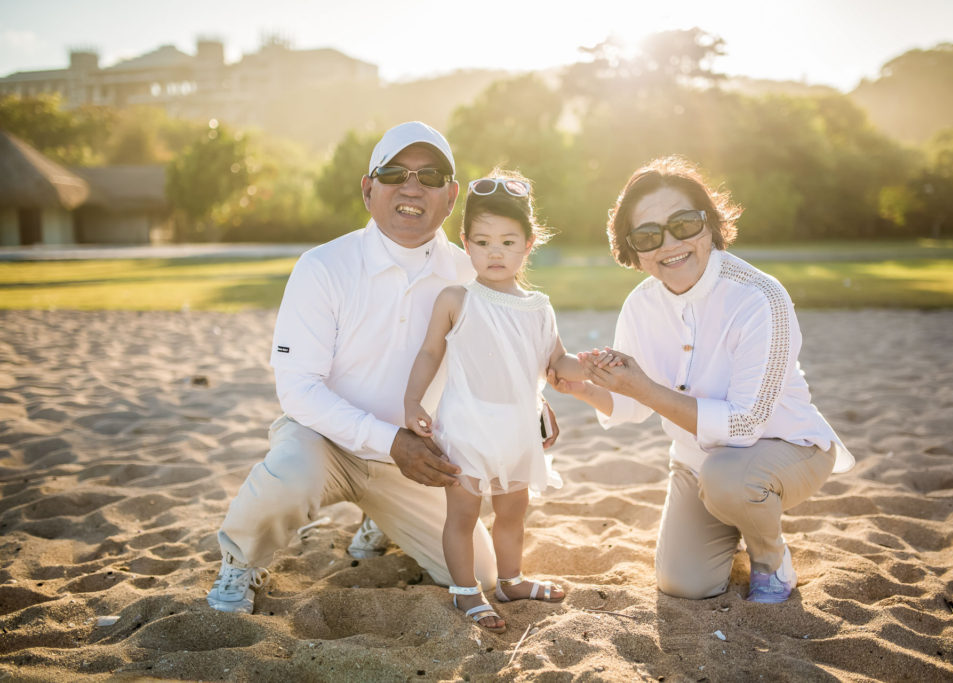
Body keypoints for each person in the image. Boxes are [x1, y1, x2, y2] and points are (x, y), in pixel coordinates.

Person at [206, 122, 558, 614]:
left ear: (451, 196)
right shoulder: (322, 266)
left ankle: (381, 519)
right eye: (394, 173)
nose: (412, 186)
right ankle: (240, 562)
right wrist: (389, 439)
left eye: (431, 176)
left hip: (417, 457)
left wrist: (535, 400)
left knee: (480, 573)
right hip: (324, 442)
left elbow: (508, 350)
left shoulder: (471, 271)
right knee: (287, 477)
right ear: (368, 188)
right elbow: (299, 390)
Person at [549, 156, 854, 604]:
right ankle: (733, 521)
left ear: (710, 224)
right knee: (683, 583)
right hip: (697, 464)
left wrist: (645, 388)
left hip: (789, 449)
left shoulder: (759, 297)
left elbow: (745, 425)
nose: (669, 243)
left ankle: (770, 559)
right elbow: (633, 403)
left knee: (729, 480)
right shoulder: (640, 305)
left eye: (684, 224)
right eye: (648, 235)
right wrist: (585, 389)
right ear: (633, 251)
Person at [404, 170, 578, 633]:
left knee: (512, 512)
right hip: (467, 427)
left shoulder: (538, 306)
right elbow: (428, 353)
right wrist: (412, 401)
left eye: (506, 241)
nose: (494, 252)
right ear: (465, 243)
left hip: (518, 431)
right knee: (462, 513)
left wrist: (591, 371)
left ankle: (511, 580)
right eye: (482, 242)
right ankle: (465, 593)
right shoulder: (457, 299)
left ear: (528, 242)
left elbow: (554, 360)